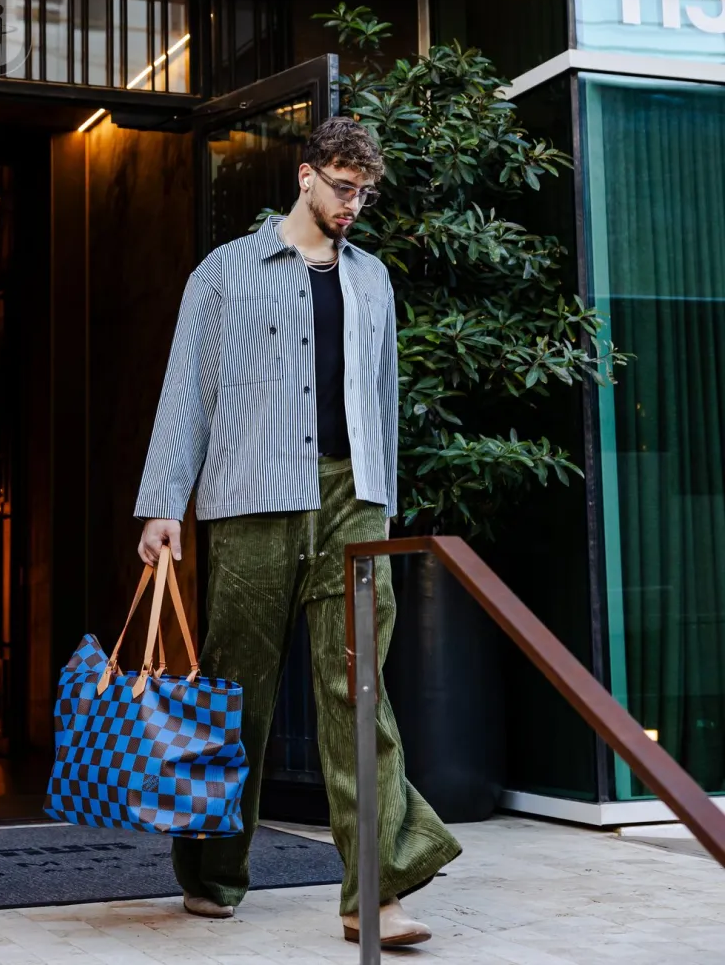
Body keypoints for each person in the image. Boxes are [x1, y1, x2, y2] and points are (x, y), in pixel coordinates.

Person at [134, 115, 461, 948]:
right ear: (306, 176)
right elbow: (187, 390)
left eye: (366, 194)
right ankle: (213, 873)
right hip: (251, 498)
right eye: (344, 188)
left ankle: (374, 896)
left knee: (359, 691)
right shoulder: (225, 272)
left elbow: (381, 397)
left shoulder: (373, 280)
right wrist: (164, 503)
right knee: (234, 696)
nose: (354, 205)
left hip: (353, 500)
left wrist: (383, 497)